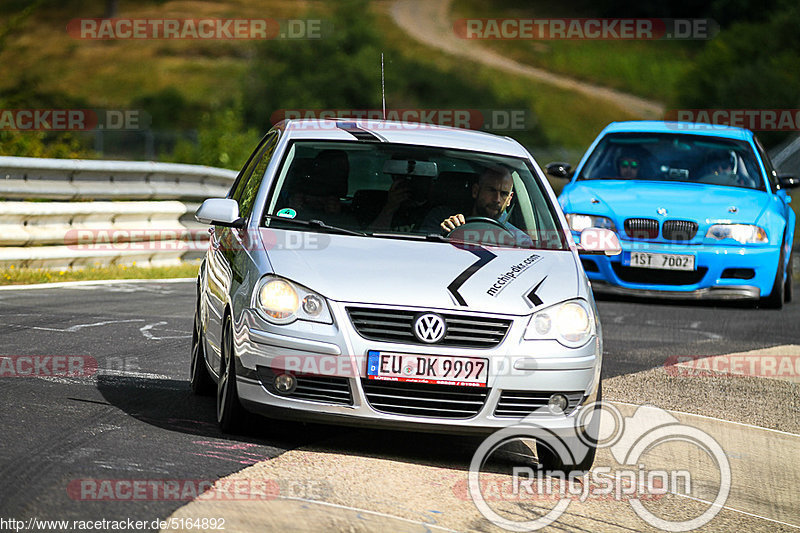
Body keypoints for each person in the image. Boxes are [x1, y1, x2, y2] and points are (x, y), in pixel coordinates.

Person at [432, 165, 532, 247]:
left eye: (504, 194)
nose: (497, 199)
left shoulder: (520, 241)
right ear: (475, 191)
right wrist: (444, 233)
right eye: (491, 190)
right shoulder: (442, 219)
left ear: (509, 199)